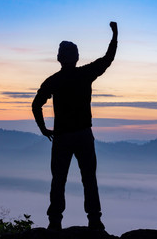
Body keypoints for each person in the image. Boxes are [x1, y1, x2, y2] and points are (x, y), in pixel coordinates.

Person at [32, 22, 118, 231]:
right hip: (83, 135)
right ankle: (94, 220)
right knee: (89, 178)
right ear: (76, 57)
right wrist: (115, 35)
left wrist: (43, 129)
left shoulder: (54, 80)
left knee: (58, 180)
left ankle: (55, 222)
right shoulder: (85, 74)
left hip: (62, 137)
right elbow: (108, 59)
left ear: (60, 58)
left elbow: (36, 104)